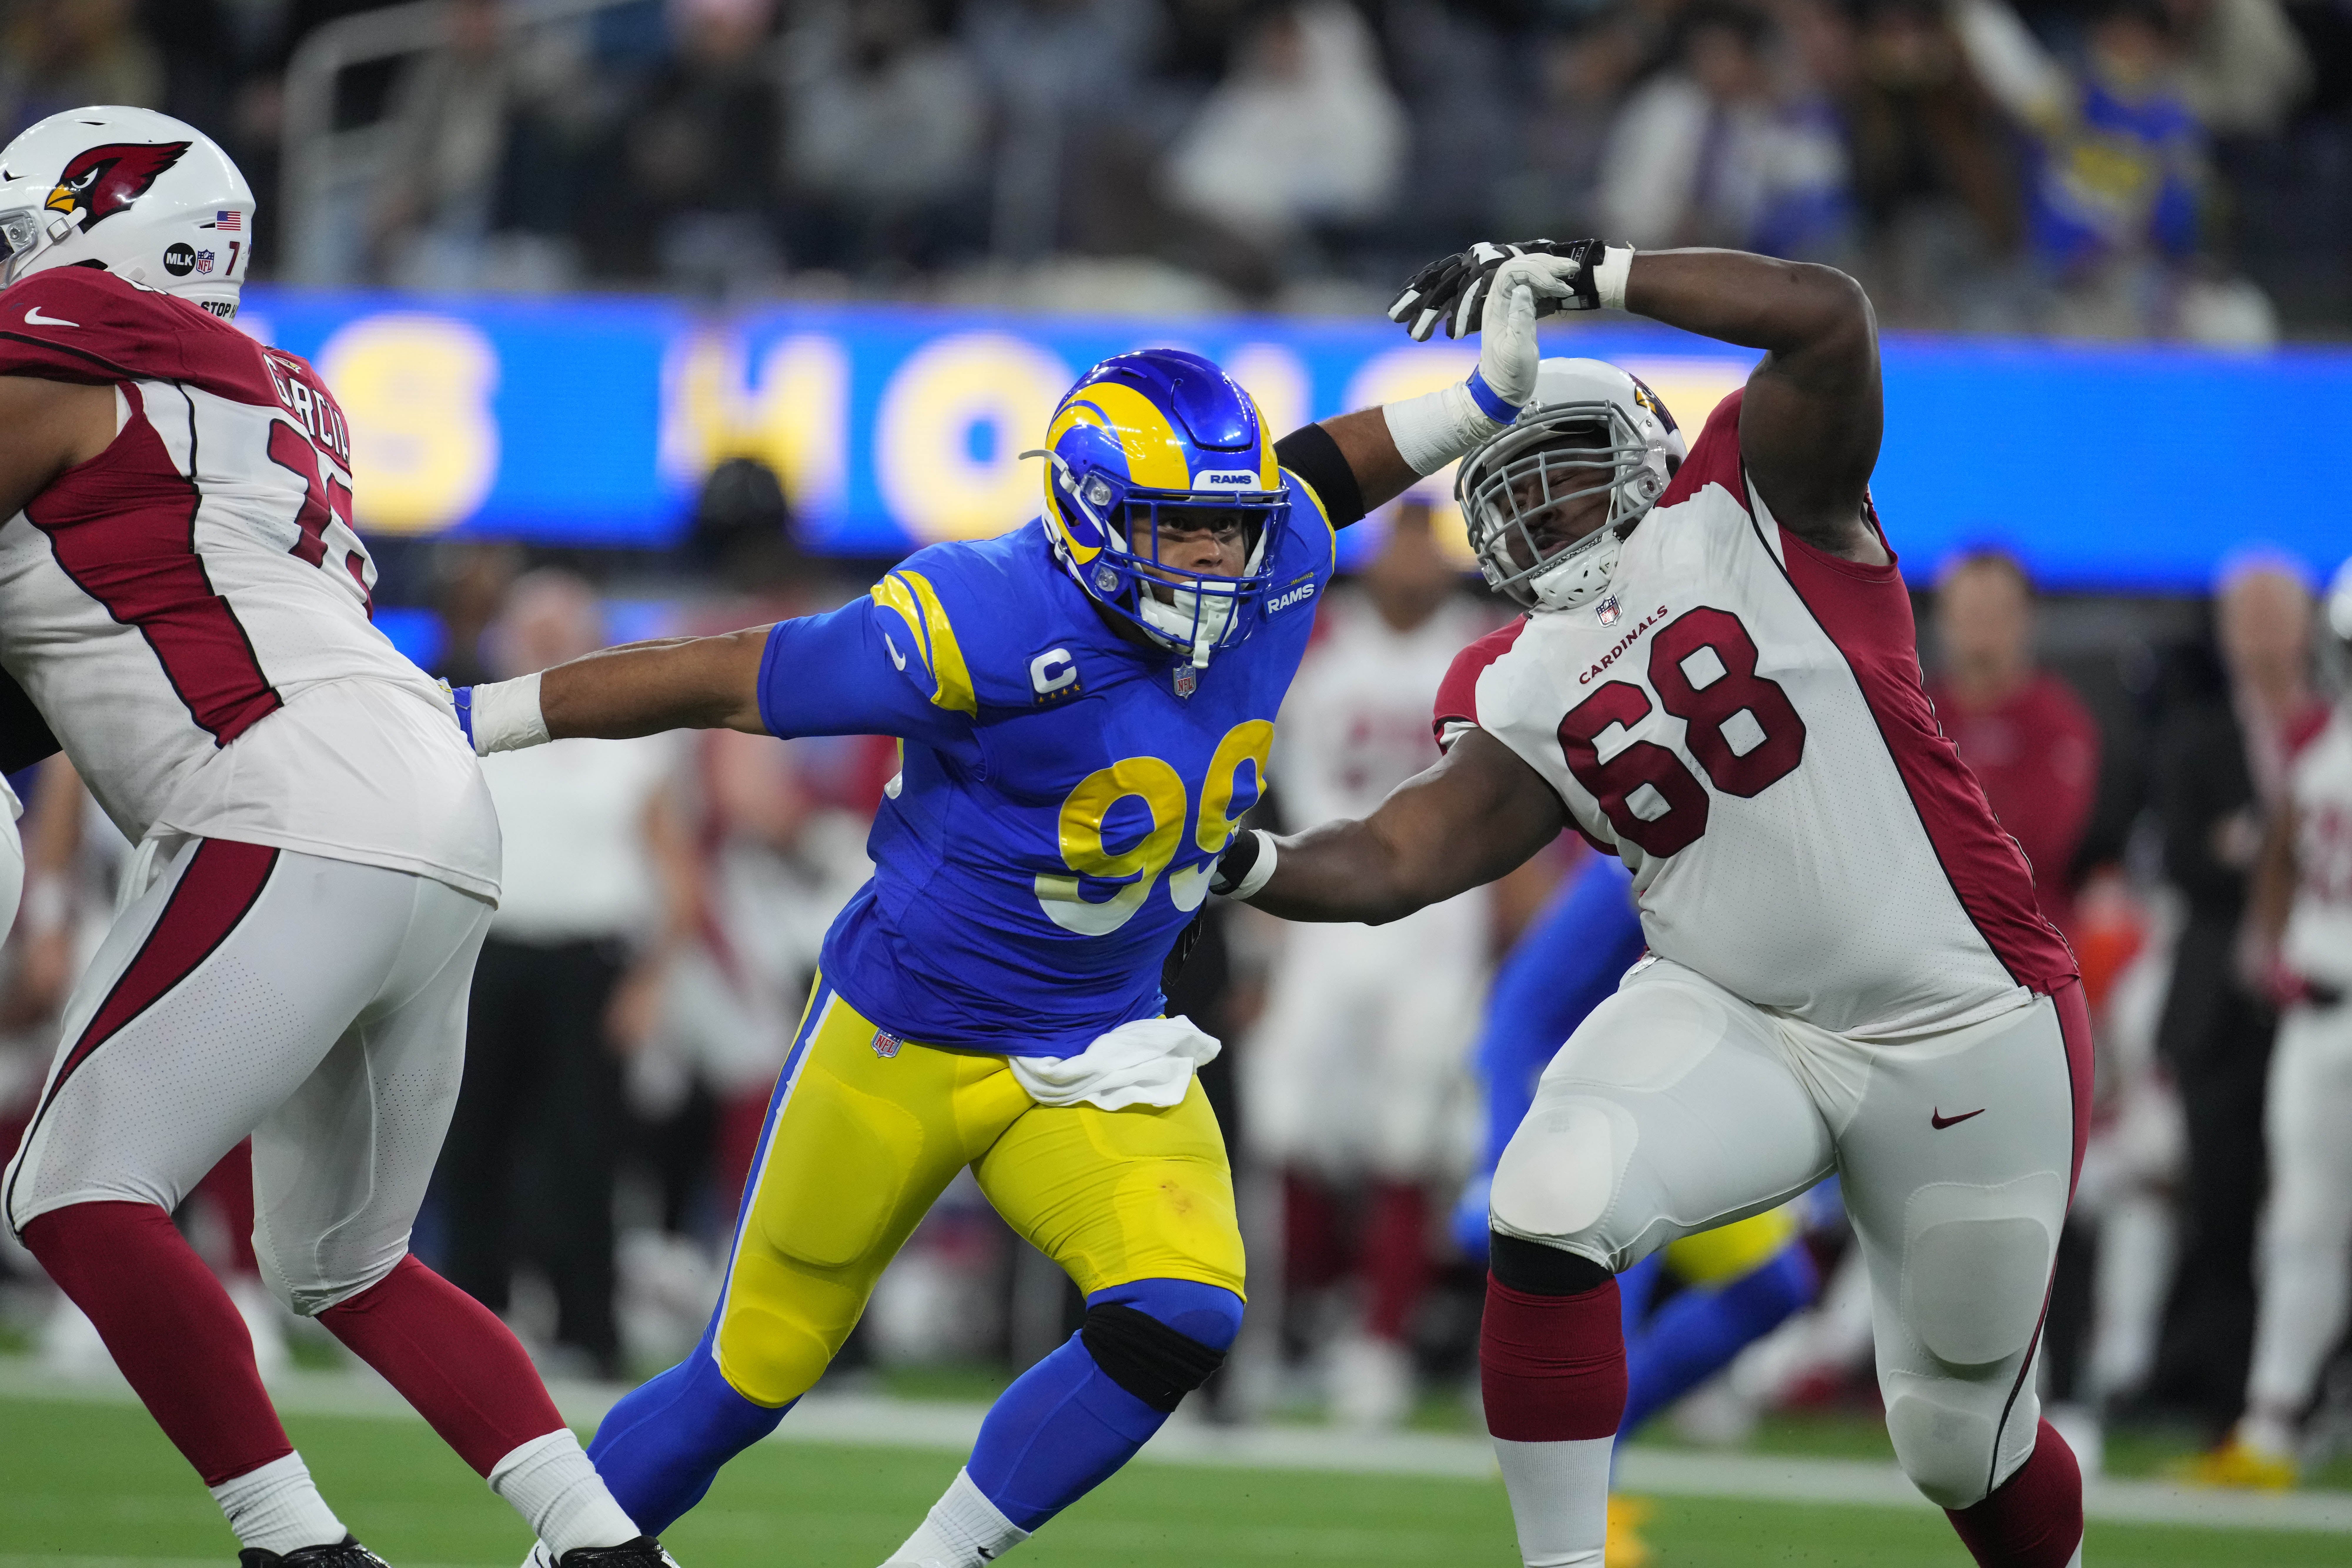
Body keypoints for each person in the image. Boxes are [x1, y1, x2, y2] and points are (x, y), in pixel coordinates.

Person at [450, 262, 1593, 1566]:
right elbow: (721, 677)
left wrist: (1480, 399)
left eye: (1229, 526)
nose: (1218, 555)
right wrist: (484, 716)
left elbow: (1318, 469)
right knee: (750, 1373)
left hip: (1097, 1044)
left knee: (1181, 1311)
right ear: (1096, 517)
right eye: (1179, 528)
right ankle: (560, 1555)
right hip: (904, 1035)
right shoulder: (981, 614)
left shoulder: (1276, 555)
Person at [1218, 236, 2092, 1567]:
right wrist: (1242, 862)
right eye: (1511, 492)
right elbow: (1401, 857)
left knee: (1952, 1438)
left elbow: (1824, 319)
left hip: (1957, 1023)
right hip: (1739, 1018)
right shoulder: (1510, 676)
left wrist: (1596, 270)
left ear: (1635, 446)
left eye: (1562, 472)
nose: (1539, 508)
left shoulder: (1758, 498)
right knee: (1550, 1193)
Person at [0, 108, 670, 1568]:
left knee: (72, 1192)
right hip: (431, 799)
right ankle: (605, 1546)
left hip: (285, 793)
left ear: (112, 232)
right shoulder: (279, 388)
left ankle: (295, 1549)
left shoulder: (74, 331)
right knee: (348, 1267)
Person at [1454, 848, 1818, 1567]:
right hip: (1592, 1118)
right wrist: (1495, 1155)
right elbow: (1517, 1013)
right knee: (1607, 1316)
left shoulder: (1761, 871)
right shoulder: (1634, 873)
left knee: (1775, 1289)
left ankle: (1578, 1441)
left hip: (1680, 1114)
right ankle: (1589, 1511)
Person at [1243, 499, 1496, 1429]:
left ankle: (1380, 1344)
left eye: (1430, 544)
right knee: (1285, 1128)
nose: (1412, 561)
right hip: (1322, 918)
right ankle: (1287, 1330)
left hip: (1439, 926)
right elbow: (1264, 784)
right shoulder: (1315, 647)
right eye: (1400, 539)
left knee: (1409, 1137)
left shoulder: (1483, 650)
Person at [437, 571, 693, 1381]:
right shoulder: (462, 724)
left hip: (588, 963)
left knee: (582, 1153)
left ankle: (590, 1325)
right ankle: (470, 1324)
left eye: (562, 627)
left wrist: (653, 979)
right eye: (533, 627)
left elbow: (677, 871)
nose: (546, 641)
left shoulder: (630, 733)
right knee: (469, 1143)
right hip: (485, 952)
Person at [2183, 556, 2352, 1487]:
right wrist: (2278, 945)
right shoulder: (2322, 740)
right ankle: (2276, 1421)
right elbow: (2283, 844)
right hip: (2321, 1011)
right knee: (2298, 1224)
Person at [2146, 556, 2323, 1436]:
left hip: (2326, 998)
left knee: (2318, 1205)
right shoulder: (2196, 735)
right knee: (2217, 1200)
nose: (2257, 636)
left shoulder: (2331, 733)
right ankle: (2226, 1394)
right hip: (2222, 1002)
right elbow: (2183, 856)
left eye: (2273, 616)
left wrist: (2253, 847)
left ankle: (2302, 1393)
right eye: (2241, 618)